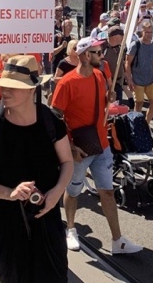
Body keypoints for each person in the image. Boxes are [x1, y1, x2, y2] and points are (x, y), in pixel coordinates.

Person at [0, 55, 72, 283]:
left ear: (32, 89)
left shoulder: (50, 120)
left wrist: (56, 193)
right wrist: (9, 193)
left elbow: (67, 162)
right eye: (3, 85)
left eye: (13, 86)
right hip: (5, 220)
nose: (4, 91)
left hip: (46, 216)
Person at [52, 37, 143, 255]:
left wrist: (108, 98)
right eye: (97, 52)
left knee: (108, 192)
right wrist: (71, 148)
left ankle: (117, 240)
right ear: (85, 55)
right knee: (73, 192)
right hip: (80, 149)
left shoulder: (100, 76)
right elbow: (55, 118)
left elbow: (102, 104)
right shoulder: (67, 82)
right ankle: (71, 230)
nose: (102, 55)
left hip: (102, 145)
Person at [126, 21, 153, 124]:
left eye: (151, 32)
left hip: (151, 80)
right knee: (139, 104)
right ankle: (136, 125)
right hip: (137, 80)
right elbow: (127, 63)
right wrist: (129, 79)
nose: (149, 34)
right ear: (142, 32)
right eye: (147, 32)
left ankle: (146, 123)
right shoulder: (135, 45)